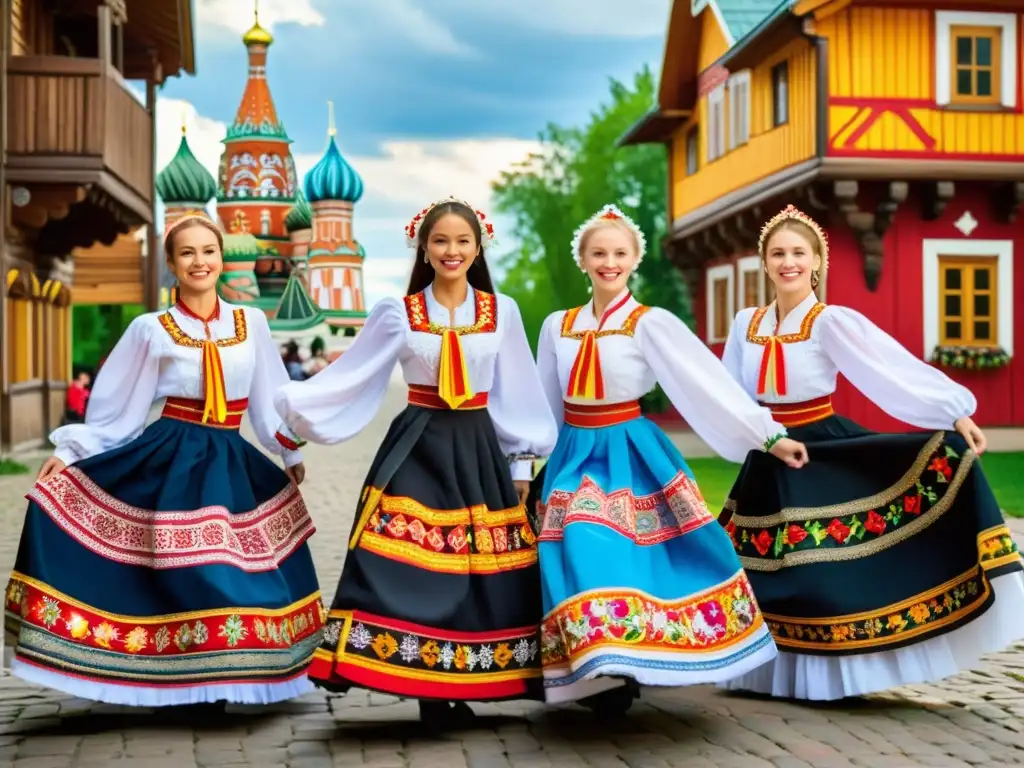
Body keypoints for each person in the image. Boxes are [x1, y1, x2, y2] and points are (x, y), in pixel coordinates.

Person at [5, 214, 324, 707]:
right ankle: (192, 678)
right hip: (173, 457)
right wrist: (70, 451)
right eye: (187, 253)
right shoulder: (150, 329)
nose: (200, 261)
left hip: (232, 459)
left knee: (232, 565)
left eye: (209, 251)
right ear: (172, 265)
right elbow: (118, 410)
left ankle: (230, 675)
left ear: (222, 258)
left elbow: (268, 398)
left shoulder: (251, 323)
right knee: (189, 567)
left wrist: (286, 449)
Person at [717, 204, 1024, 700]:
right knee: (758, 574)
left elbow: (888, 369)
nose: (788, 262)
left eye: (799, 252)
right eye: (778, 253)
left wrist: (953, 413)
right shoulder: (745, 324)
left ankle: (834, 678)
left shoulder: (827, 320)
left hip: (819, 449)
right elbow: (727, 393)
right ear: (765, 262)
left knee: (820, 572)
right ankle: (768, 675)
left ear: (817, 262)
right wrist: (751, 434)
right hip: (767, 454)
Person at [274, 198, 558, 725]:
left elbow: (515, 391)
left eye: (462, 241)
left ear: (479, 247)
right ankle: (423, 685)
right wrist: (294, 422)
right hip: (418, 443)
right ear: (423, 248)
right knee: (402, 558)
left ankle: (470, 677)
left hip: (478, 448)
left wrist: (521, 462)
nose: (452, 251)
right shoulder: (397, 312)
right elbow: (353, 375)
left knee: (480, 567)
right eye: (441, 241)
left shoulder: (503, 311)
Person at [528, 204, 809, 713]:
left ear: (634, 260)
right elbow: (543, 402)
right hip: (574, 451)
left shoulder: (649, 323)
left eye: (619, 253)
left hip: (631, 451)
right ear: (583, 260)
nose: (608, 262)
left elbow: (705, 381)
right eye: (598, 253)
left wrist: (767, 435)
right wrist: (526, 462)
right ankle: (598, 668)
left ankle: (628, 661)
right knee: (574, 539)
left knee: (620, 547)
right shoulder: (557, 326)